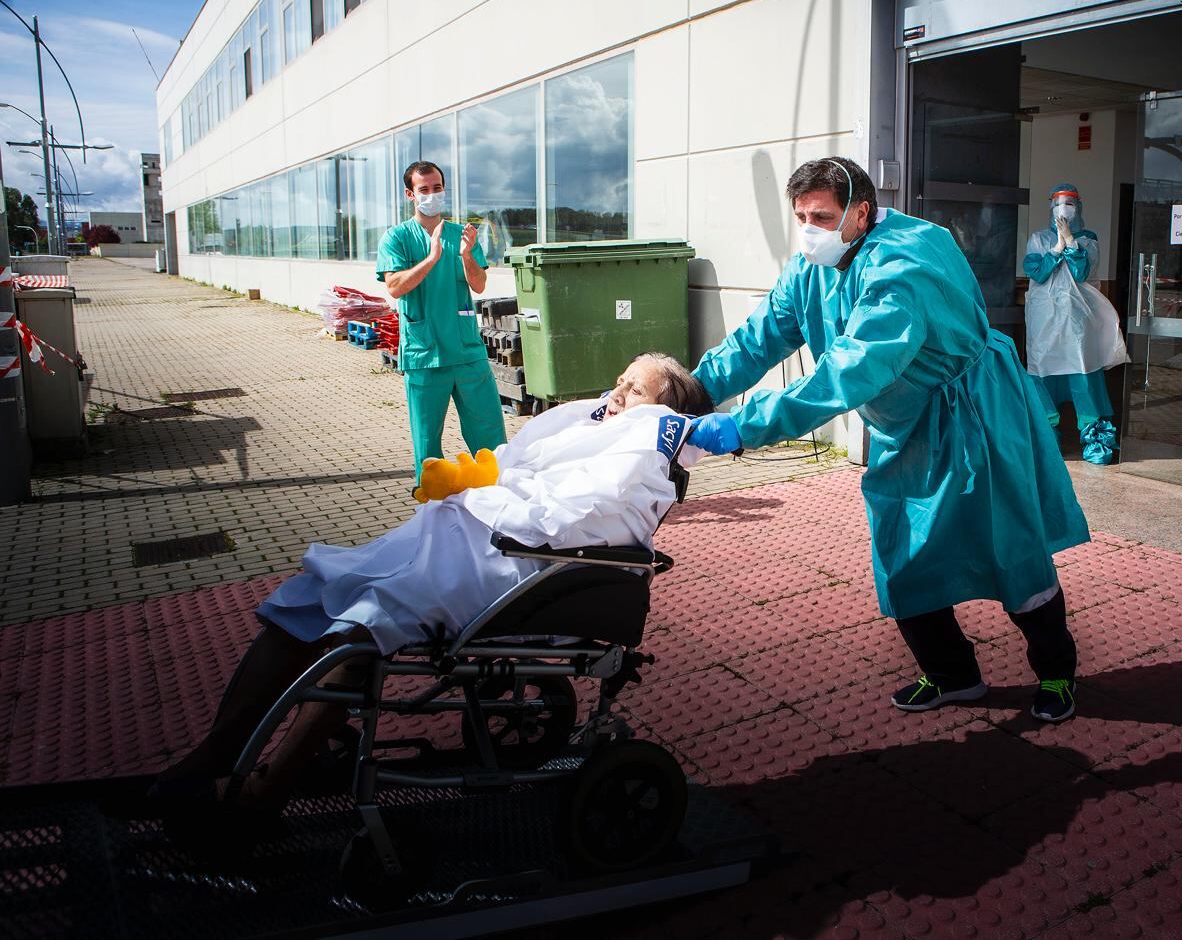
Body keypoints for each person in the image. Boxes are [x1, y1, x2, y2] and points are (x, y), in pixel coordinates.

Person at [155, 354, 712, 813]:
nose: (615, 393)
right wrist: (482, 480)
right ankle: (213, 755)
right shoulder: (591, 431)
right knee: (303, 600)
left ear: (660, 412)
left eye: (633, 389)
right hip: (465, 540)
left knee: (360, 630)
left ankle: (261, 797)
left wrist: (484, 491)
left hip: (508, 565)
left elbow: (567, 515)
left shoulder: (640, 456)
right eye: (618, 379)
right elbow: (526, 471)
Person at [686, 158, 1090, 723]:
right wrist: (689, 393)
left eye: (822, 217)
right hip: (903, 422)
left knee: (1010, 546)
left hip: (972, 414)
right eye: (801, 216)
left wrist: (743, 425)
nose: (810, 229)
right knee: (902, 553)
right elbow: (757, 340)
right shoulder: (811, 270)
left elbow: (853, 367)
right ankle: (953, 674)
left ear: (861, 212)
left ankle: (1055, 674)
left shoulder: (906, 260)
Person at [379, 160, 506, 483]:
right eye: (424, 189)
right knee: (427, 445)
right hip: (425, 354)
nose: (432, 195)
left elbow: (478, 285)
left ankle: (500, 497)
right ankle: (429, 507)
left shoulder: (461, 234)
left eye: (437, 188)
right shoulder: (396, 238)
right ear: (410, 194)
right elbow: (394, 287)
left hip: (466, 352)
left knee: (490, 436)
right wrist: (432, 258)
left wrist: (465, 256)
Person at [1023, 184, 1129, 464]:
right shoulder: (1038, 239)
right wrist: (1056, 248)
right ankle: (1047, 437)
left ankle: (1096, 439)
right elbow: (1036, 271)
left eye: (1070, 203)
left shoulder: (1088, 240)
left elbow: (1082, 272)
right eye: (1059, 202)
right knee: (1043, 373)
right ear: (1050, 206)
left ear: (1079, 206)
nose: (1064, 207)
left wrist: (1071, 243)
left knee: (1082, 373)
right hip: (1044, 320)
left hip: (1076, 320)